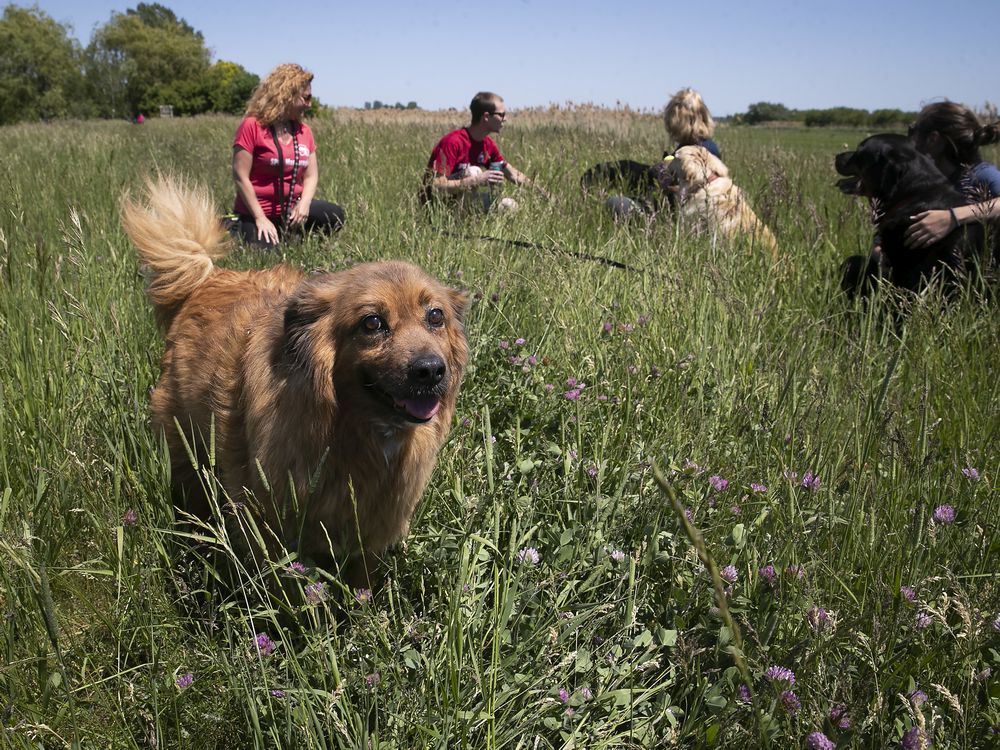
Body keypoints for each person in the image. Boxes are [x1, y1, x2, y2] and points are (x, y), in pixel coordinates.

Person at [231, 63, 344, 248]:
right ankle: (249, 231)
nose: (309, 105)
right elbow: (240, 176)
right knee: (266, 262)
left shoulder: (304, 131)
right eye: (306, 98)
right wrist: (260, 218)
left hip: (291, 211)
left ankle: (296, 238)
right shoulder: (252, 126)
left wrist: (305, 204)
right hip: (258, 212)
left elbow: (311, 175)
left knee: (334, 215)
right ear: (287, 95)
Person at [606, 87, 721, 219]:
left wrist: (663, 180)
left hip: (674, 215)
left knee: (615, 203)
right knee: (631, 169)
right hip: (673, 208)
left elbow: (690, 193)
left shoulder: (697, 152)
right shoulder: (703, 147)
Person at [421, 91, 548, 211]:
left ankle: (476, 225)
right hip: (438, 206)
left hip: (465, 202)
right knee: (473, 171)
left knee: (510, 206)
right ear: (486, 116)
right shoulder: (453, 142)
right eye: (501, 115)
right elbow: (436, 186)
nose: (505, 119)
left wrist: (545, 195)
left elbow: (512, 174)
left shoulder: (487, 144)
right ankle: (459, 227)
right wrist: (477, 180)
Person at [903, 101, 1000, 250]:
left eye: (913, 131)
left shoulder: (981, 175)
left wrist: (952, 218)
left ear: (933, 139)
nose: (911, 140)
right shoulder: (925, 179)